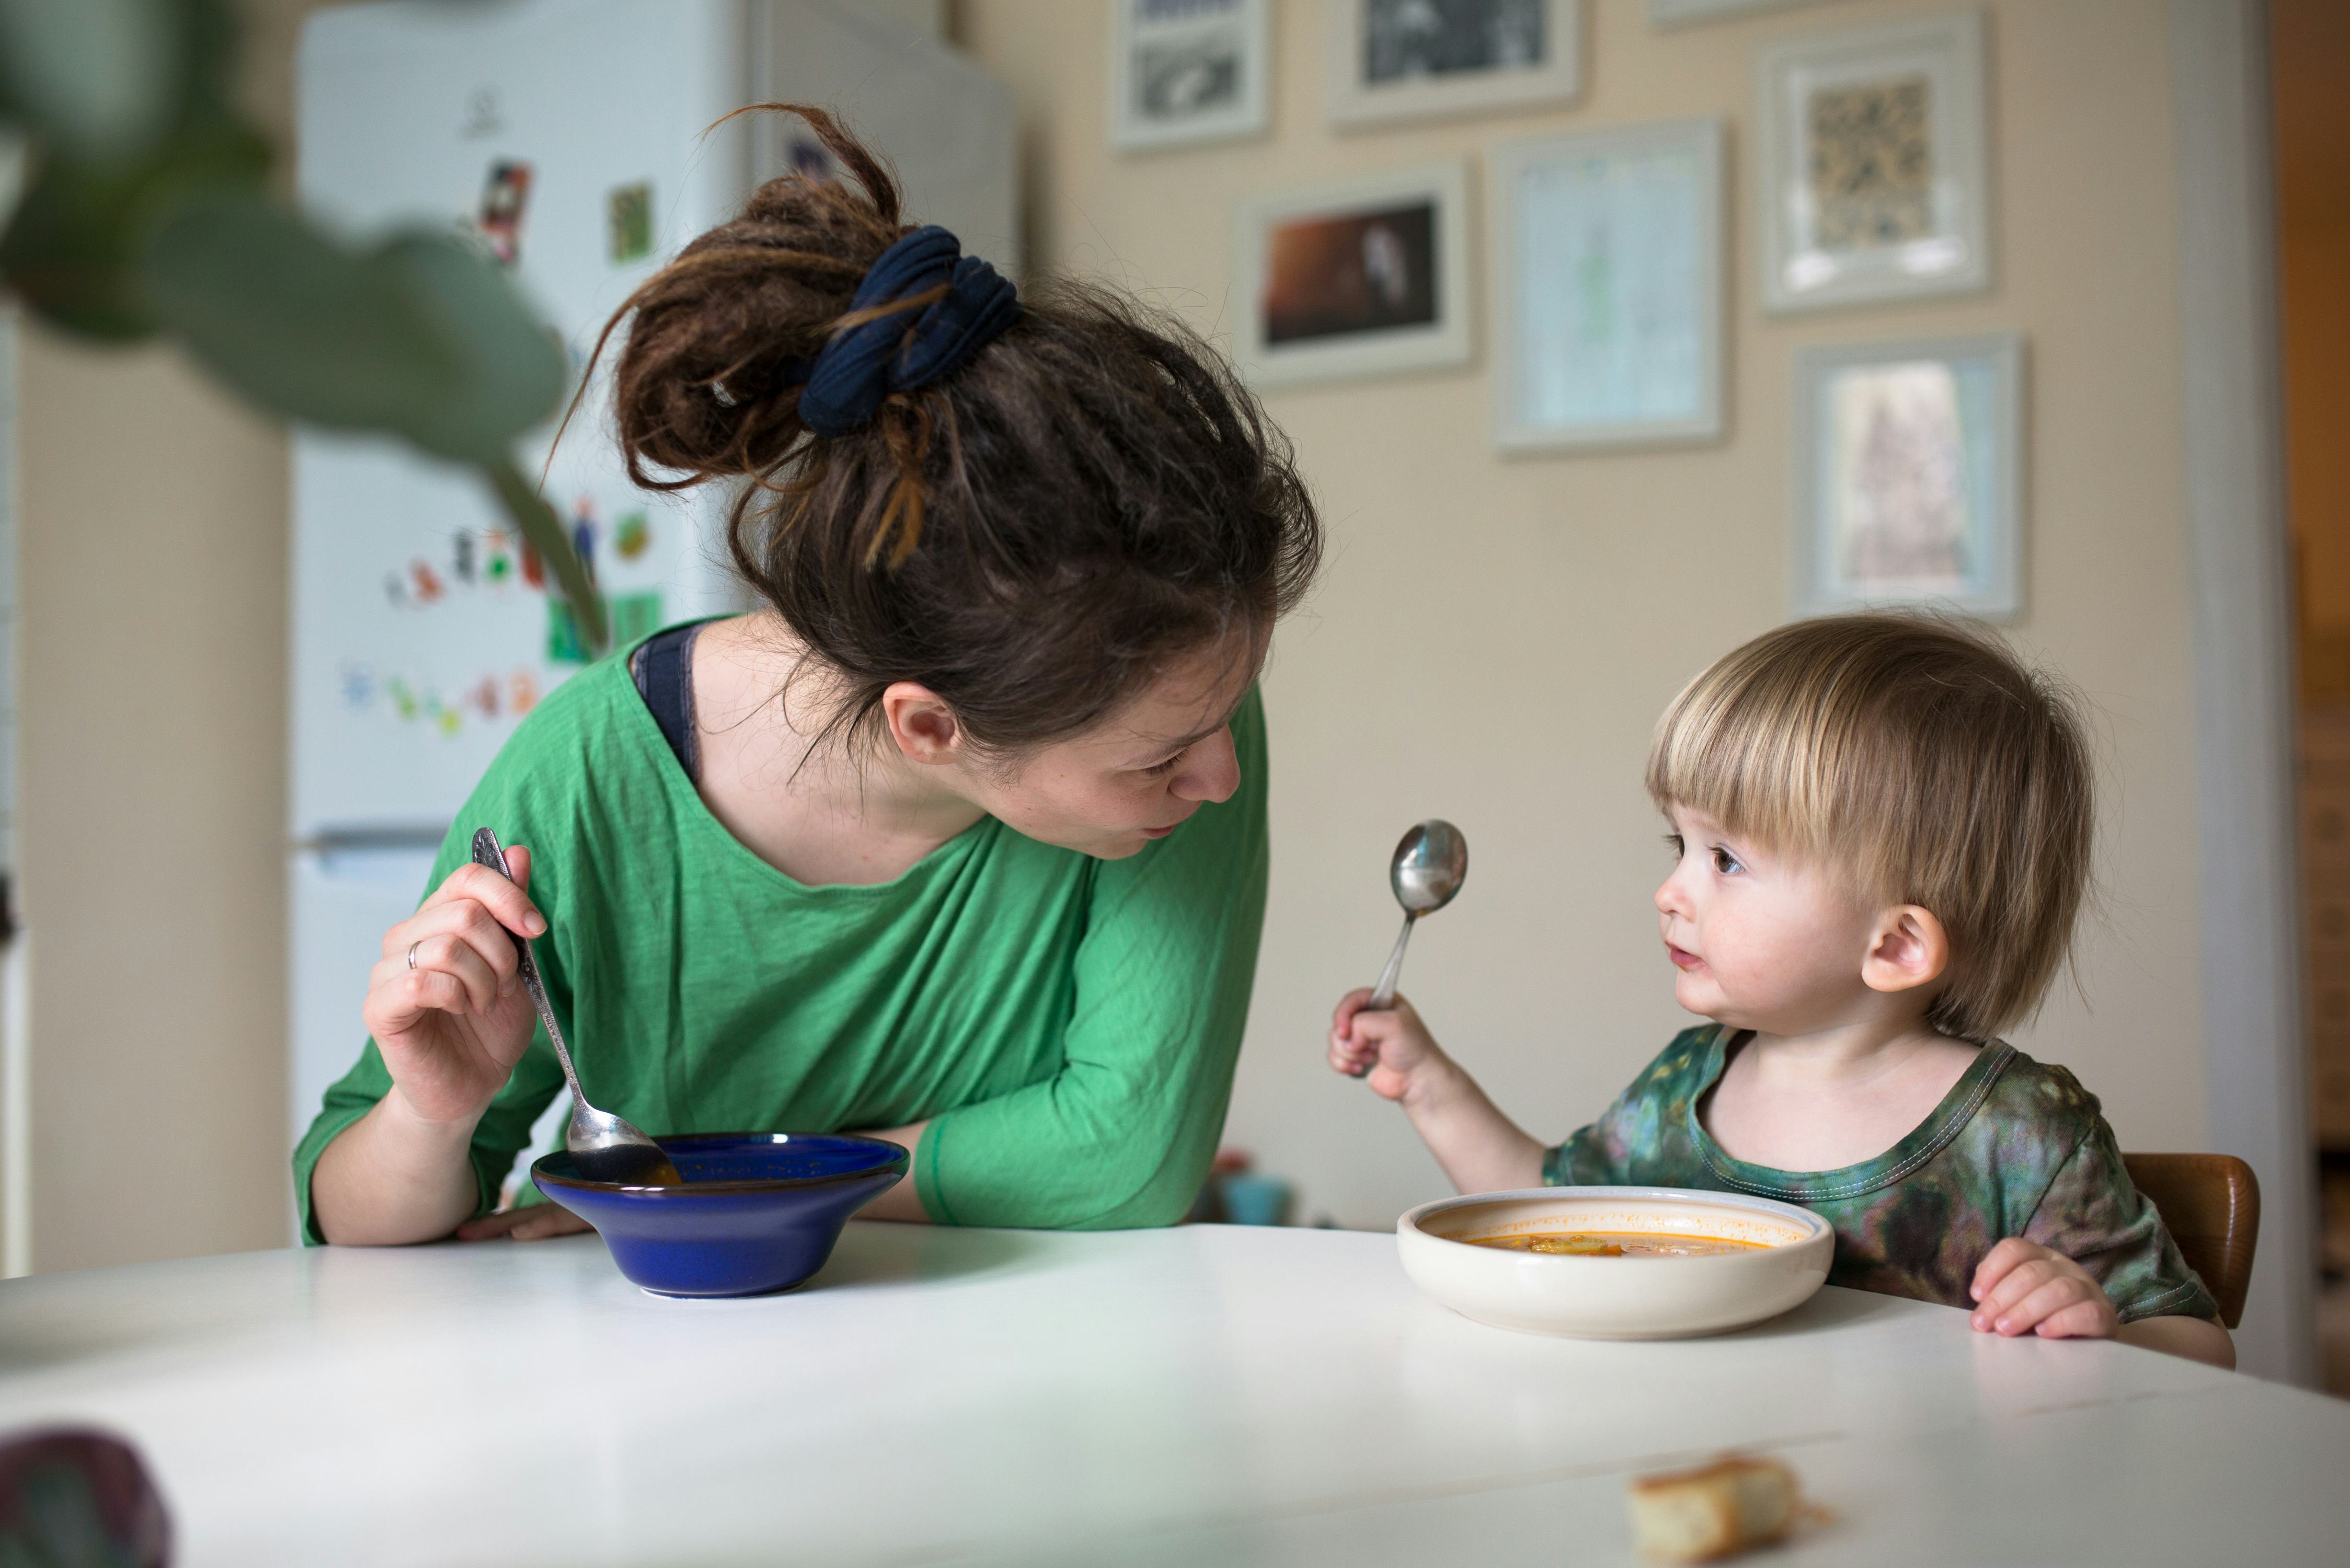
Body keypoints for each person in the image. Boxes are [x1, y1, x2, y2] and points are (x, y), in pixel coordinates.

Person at [301, 106, 1321, 1246]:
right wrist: (431, 1120)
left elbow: (1127, 1159)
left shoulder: (1180, 722)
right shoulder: (586, 781)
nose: (1218, 776)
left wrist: (701, 1188)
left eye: (1218, 722)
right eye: (1162, 760)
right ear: (931, 726)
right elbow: (350, 1229)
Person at [1327, 614, 2235, 1368]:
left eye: (1725, 859)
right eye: (1675, 847)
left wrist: (2101, 1323)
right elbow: (1538, 1201)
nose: (1671, 891)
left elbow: (2200, 1342)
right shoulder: (1687, 1086)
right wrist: (1427, 1079)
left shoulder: (2020, 1136)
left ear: (1895, 944)